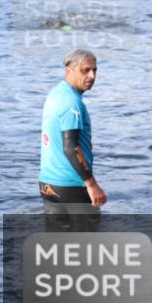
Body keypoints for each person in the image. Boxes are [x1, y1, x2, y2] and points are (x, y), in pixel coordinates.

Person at [40, 49, 107, 227]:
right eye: (85, 70)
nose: (92, 76)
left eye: (95, 70)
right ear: (68, 70)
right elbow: (70, 147)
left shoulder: (55, 94)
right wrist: (91, 184)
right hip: (71, 186)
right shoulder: (72, 102)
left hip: (48, 185)